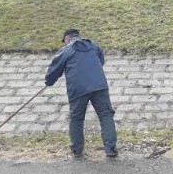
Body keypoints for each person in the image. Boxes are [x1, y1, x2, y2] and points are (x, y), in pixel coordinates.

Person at [45, 29, 118, 158]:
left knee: (77, 119)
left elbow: (55, 67)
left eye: (64, 41)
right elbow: (101, 61)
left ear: (67, 38)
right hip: (99, 86)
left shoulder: (67, 49)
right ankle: (110, 149)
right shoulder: (93, 45)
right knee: (106, 115)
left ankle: (77, 150)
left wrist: (49, 81)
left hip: (77, 89)